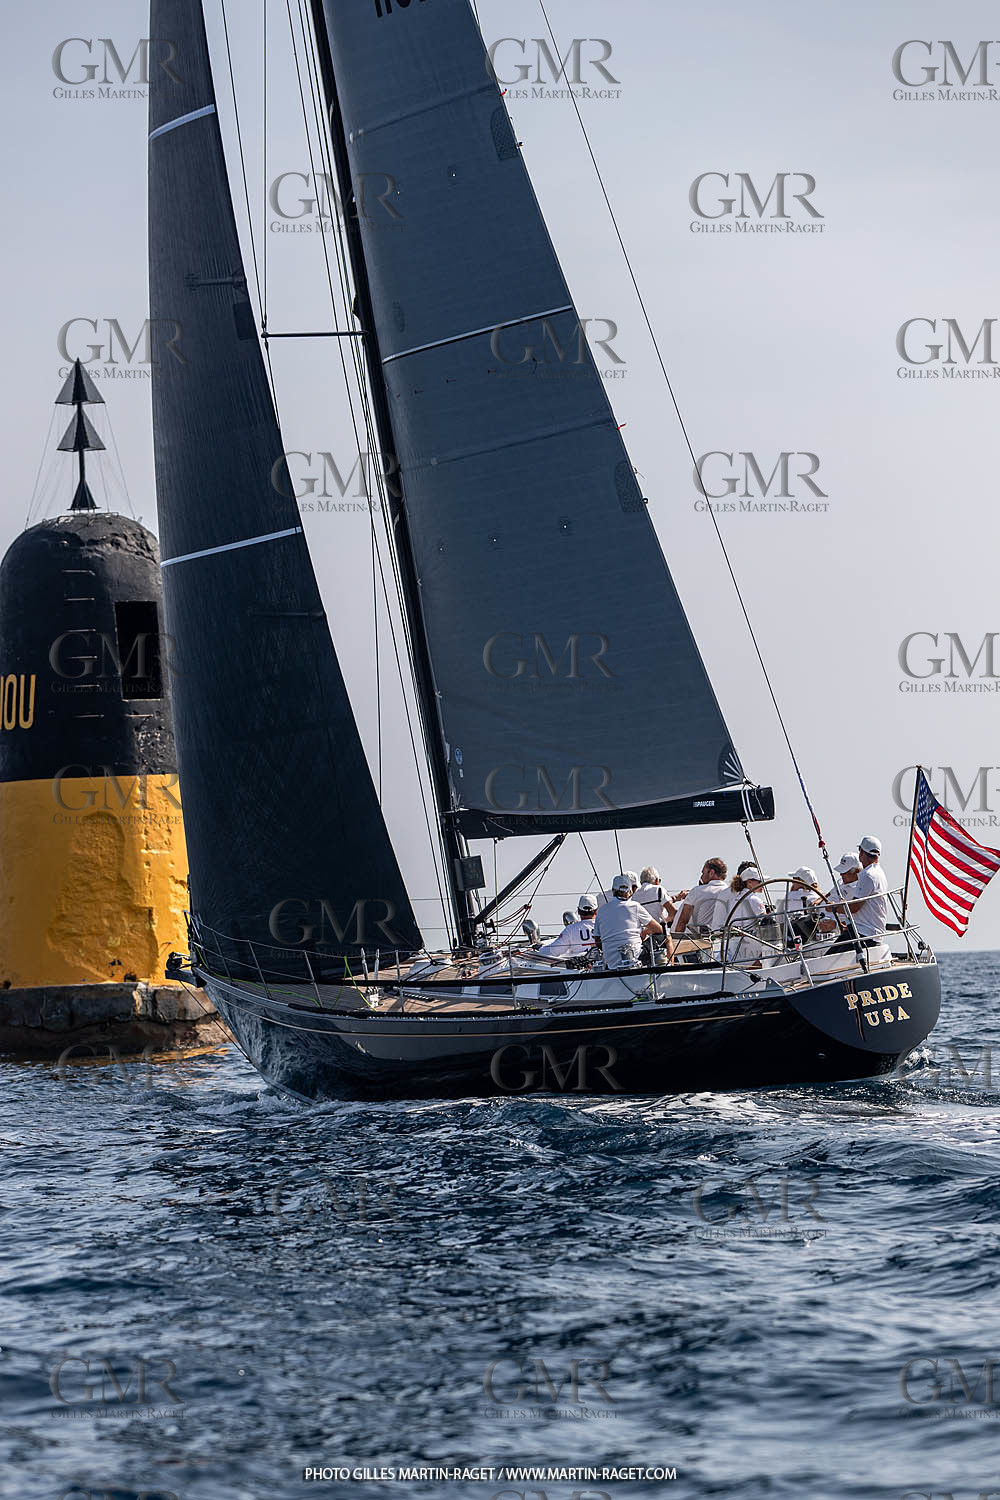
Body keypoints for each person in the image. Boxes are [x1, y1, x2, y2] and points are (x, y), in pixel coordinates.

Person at [593, 873, 667, 968]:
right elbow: (659, 930)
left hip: (611, 962)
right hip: (636, 959)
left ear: (613, 891)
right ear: (630, 891)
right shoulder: (635, 906)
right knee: (661, 935)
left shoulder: (601, 910)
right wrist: (643, 932)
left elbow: (597, 940)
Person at [844, 836, 889, 939]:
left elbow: (854, 907)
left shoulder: (868, 875)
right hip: (867, 931)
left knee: (831, 954)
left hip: (865, 933)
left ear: (862, 853)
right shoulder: (878, 872)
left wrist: (833, 907)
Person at [722, 866, 766, 964]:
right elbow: (768, 924)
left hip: (734, 945)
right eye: (760, 881)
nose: (763, 884)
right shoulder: (754, 899)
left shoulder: (734, 899)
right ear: (749, 882)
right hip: (751, 946)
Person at [673, 858, 728, 936]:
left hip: (699, 942)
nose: (701, 877)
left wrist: (676, 941)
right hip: (723, 941)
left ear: (711, 873)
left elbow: (683, 921)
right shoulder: (731, 892)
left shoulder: (697, 891)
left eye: (703, 873)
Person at [779, 866, 823, 944]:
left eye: (794, 879)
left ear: (800, 881)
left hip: (791, 932)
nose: (792, 882)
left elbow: (780, 918)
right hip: (810, 934)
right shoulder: (818, 897)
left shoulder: (790, 896)